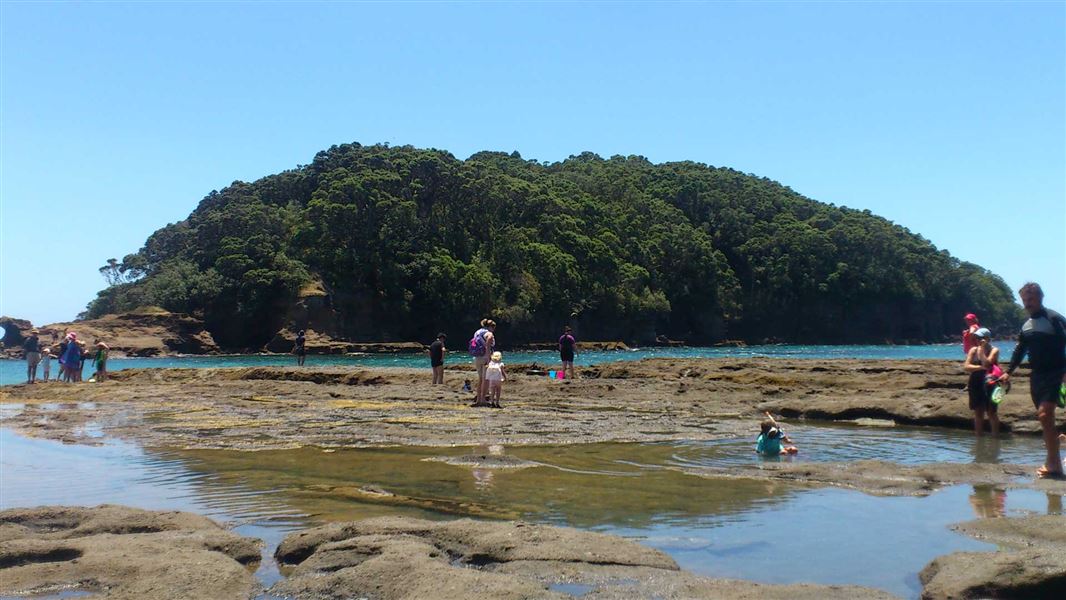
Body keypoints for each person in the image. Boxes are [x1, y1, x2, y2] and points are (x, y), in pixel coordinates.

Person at [1001, 282, 1066, 479]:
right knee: (1046, 420)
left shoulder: (1054, 319)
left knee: (1045, 415)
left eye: (1030, 299)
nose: (1027, 304)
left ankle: (1054, 464)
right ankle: (1053, 459)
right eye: (1024, 300)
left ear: (1040, 298)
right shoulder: (1027, 326)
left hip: (1056, 372)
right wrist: (1008, 372)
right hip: (1037, 376)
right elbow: (1020, 349)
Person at [963, 328, 1000, 437]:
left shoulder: (994, 350)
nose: (978, 340)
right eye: (977, 338)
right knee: (978, 411)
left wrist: (982, 350)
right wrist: (980, 367)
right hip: (976, 382)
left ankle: (995, 438)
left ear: (988, 338)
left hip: (991, 382)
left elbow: (988, 363)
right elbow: (966, 366)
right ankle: (979, 439)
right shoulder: (973, 350)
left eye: (981, 338)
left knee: (991, 411)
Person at [470, 319, 496, 406]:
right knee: (486, 379)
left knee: (481, 379)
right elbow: (489, 340)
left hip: (477, 357)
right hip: (485, 357)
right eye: (493, 327)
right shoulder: (489, 333)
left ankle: (478, 399)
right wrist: (488, 356)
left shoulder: (477, 332)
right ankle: (483, 399)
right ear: (490, 327)